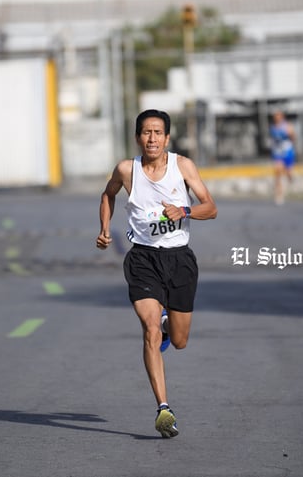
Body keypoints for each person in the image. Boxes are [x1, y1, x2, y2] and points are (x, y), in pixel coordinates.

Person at [96, 109, 217, 438]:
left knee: (179, 341)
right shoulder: (126, 170)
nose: (152, 138)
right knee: (149, 329)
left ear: (167, 138)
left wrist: (185, 210)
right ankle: (164, 408)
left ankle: (167, 326)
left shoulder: (183, 167)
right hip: (143, 261)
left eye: (158, 133)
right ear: (138, 138)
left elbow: (211, 207)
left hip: (180, 261)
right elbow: (107, 195)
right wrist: (105, 229)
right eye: (146, 132)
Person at [269, 111, 296, 205]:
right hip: (278, 153)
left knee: (288, 172)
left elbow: (293, 138)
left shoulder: (287, 126)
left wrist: (290, 135)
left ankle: (291, 180)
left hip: (287, 152)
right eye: (275, 116)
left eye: (278, 116)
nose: (276, 118)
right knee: (278, 172)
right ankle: (279, 195)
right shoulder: (272, 127)